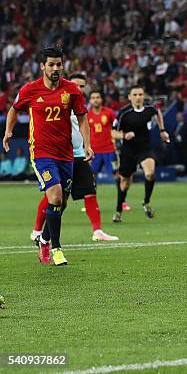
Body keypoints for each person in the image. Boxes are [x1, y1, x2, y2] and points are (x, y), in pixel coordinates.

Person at [3, 46, 91, 266]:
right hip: (41, 152)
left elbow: (82, 118)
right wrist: (8, 131)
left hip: (66, 153)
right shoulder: (30, 90)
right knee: (55, 196)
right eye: (51, 64)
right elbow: (14, 109)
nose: (55, 68)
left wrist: (87, 145)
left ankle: (44, 238)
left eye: (59, 64)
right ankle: (57, 249)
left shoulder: (71, 90)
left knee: (62, 203)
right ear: (42, 66)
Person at [31, 74, 119, 243]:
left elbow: (84, 128)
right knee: (56, 198)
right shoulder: (59, 102)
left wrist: (87, 147)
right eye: (76, 84)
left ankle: (97, 230)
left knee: (90, 192)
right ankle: (37, 231)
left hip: (79, 155)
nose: (79, 88)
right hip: (60, 157)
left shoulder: (80, 106)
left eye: (82, 86)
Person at [112, 85, 170, 222]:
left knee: (150, 173)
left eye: (140, 94)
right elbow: (113, 132)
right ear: (129, 97)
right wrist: (124, 135)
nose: (138, 97)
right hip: (128, 151)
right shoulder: (124, 113)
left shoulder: (150, 109)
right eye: (135, 95)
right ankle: (119, 209)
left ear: (144, 96)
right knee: (125, 182)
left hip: (145, 149)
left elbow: (158, 113)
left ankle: (146, 202)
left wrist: (162, 130)